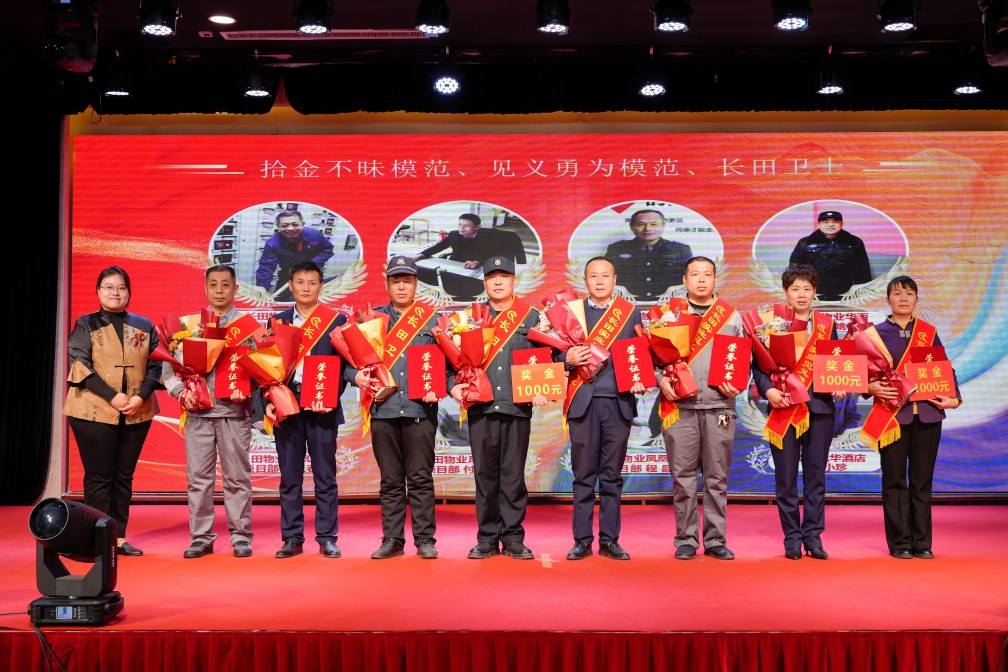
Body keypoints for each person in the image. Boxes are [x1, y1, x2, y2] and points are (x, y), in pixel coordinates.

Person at [448, 255, 547, 560]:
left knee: (513, 475)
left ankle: (514, 537)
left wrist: (544, 387)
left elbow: (548, 358)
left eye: (504, 276)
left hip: (517, 407)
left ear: (514, 281)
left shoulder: (533, 317)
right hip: (482, 407)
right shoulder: (467, 320)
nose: (498, 282)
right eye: (492, 277)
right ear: (485, 282)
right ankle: (487, 538)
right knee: (485, 475)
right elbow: (449, 361)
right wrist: (453, 385)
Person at [63, 266, 162, 557]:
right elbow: (79, 364)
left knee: (124, 476)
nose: (115, 292)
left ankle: (117, 538)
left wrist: (140, 397)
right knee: (99, 477)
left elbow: (157, 363)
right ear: (98, 291)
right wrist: (113, 396)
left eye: (121, 287)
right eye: (108, 287)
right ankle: (96, 541)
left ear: (129, 292)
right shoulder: (85, 324)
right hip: (93, 410)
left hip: (136, 410)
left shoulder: (144, 324)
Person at [161, 265, 258, 559]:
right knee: (198, 479)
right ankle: (201, 537)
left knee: (237, 478)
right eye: (213, 284)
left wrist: (249, 390)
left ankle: (241, 536)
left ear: (235, 289)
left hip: (234, 413)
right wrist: (182, 393)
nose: (219, 290)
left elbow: (265, 369)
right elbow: (168, 371)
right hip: (198, 415)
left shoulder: (249, 327)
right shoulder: (189, 327)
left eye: (225, 285)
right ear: (205, 289)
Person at [751, 263, 842, 560]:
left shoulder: (827, 325)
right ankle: (791, 538)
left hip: (819, 409)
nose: (801, 295)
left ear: (815, 292)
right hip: (784, 407)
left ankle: (813, 537)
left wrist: (840, 384)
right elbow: (759, 365)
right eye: (795, 289)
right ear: (785, 292)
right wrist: (768, 390)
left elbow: (836, 363)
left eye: (807, 289)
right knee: (786, 477)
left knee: (816, 477)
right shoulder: (771, 323)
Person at [865, 276, 960, 560]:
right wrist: (869, 387)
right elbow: (860, 373)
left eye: (909, 293)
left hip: (928, 416)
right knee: (894, 481)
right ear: (888, 299)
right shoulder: (874, 334)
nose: (904, 298)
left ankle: (922, 542)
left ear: (917, 299)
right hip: (892, 417)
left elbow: (944, 368)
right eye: (897, 293)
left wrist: (954, 398)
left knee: (922, 481)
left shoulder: (928, 333)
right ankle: (900, 543)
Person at [355, 256, 443, 560]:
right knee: (390, 480)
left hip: (420, 410)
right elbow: (350, 363)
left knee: (420, 478)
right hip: (383, 409)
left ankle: (425, 540)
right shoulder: (372, 320)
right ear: (387, 284)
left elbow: (449, 365)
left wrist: (441, 387)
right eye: (396, 281)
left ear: (416, 284)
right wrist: (355, 377)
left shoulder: (433, 320)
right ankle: (392, 539)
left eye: (407, 280)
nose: (402, 286)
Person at [266, 260, 355, 559]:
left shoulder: (336, 320)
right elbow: (267, 366)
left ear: (321, 287)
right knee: (289, 476)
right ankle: (292, 537)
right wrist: (269, 400)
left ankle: (327, 537)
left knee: (325, 475)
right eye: (300, 282)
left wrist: (329, 396)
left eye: (312, 283)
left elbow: (344, 366)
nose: (306, 288)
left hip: (322, 406)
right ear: (290, 285)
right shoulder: (277, 322)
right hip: (287, 405)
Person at [659, 256, 745, 561]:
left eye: (707, 274)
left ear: (715, 279)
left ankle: (715, 539)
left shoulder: (731, 316)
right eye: (695, 274)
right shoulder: (669, 314)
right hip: (679, 406)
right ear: (684, 280)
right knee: (682, 477)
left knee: (716, 478)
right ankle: (685, 539)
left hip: (719, 405)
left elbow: (743, 359)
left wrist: (738, 383)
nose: (701, 279)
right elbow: (652, 358)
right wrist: (660, 380)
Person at [561, 257, 646, 561]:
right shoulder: (571, 312)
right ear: (585, 280)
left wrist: (640, 379)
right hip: (582, 402)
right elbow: (554, 352)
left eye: (605, 276)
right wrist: (567, 358)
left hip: (618, 403)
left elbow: (640, 353)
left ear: (615, 280)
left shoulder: (630, 312)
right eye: (593, 276)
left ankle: (610, 540)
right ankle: (581, 540)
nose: (599, 281)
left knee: (611, 476)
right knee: (583, 476)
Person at [605, 209, 693, 302]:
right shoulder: (616, 249)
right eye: (641, 224)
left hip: (669, 303)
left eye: (654, 224)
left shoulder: (680, 250)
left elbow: (691, 278)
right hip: (625, 302)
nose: (647, 228)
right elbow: (605, 276)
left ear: (663, 226)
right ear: (631, 226)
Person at [789, 210, 872, 301]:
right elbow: (795, 268)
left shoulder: (854, 242)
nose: (830, 225)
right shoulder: (805, 243)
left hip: (846, 293)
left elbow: (862, 268)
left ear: (841, 224)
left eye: (835, 222)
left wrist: (860, 290)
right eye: (825, 222)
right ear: (819, 224)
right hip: (813, 293)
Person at [254, 209, 335, 301]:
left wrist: (313, 263)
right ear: (278, 226)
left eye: (295, 224)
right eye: (284, 225)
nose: (290, 229)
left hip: (312, 273)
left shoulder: (314, 234)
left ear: (302, 224)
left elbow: (328, 249)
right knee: (280, 300)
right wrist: (262, 292)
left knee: (312, 298)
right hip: (288, 274)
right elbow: (266, 269)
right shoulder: (272, 244)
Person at [413, 213, 527, 270]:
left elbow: (494, 253)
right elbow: (438, 247)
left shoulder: (489, 236)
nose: (461, 228)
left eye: (466, 226)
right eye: (460, 225)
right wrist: (420, 255)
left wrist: (478, 261)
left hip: (479, 265)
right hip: (457, 263)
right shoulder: (454, 235)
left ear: (477, 227)